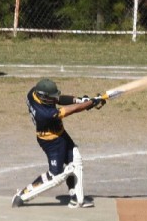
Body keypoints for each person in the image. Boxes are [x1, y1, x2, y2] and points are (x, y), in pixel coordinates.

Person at [12, 79, 105, 209]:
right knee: (56, 176)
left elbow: (58, 99)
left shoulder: (33, 93)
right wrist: (90, 103)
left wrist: (80, 100)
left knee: (76, 159)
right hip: (51, 142)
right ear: (44, 97)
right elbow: (71, 110)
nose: (54, 98)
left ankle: (77, 198)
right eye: (51, 96)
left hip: (60, 135)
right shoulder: (44, 114)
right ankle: (22, 196)